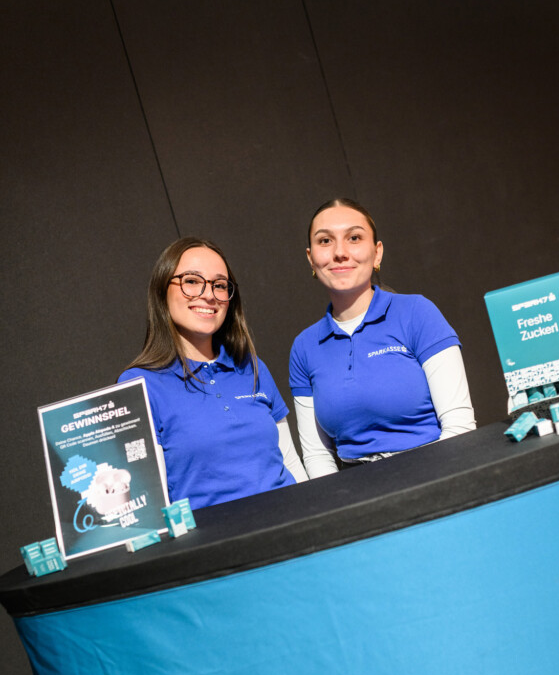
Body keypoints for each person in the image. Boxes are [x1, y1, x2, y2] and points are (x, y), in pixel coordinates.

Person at [289, 199, 476, 476]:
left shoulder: (417, 313)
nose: (340, 252)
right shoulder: (304, 347)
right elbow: (317, 456)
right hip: (355, 492)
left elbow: (460, 424)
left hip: (435, 474)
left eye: (354, 238)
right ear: (311, 258)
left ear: (377, 253)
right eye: (325, 241)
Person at [119, 236, 306, 509]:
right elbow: (149, 503)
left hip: (292, 519)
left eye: (219, 285)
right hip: (216, 534)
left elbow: (290, 462)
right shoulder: (139, 384)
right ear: (162, 290)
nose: (208, 295)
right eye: (192, 281)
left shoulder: (252, 366)